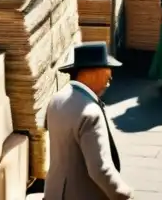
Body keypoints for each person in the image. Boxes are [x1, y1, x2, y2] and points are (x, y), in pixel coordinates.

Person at [44, 41, 132, 199]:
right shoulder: (90, 113)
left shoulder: (56, 99)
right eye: (108, 69)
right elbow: (100, 170)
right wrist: (125, 195)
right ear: (93, 72)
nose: (110, 76)